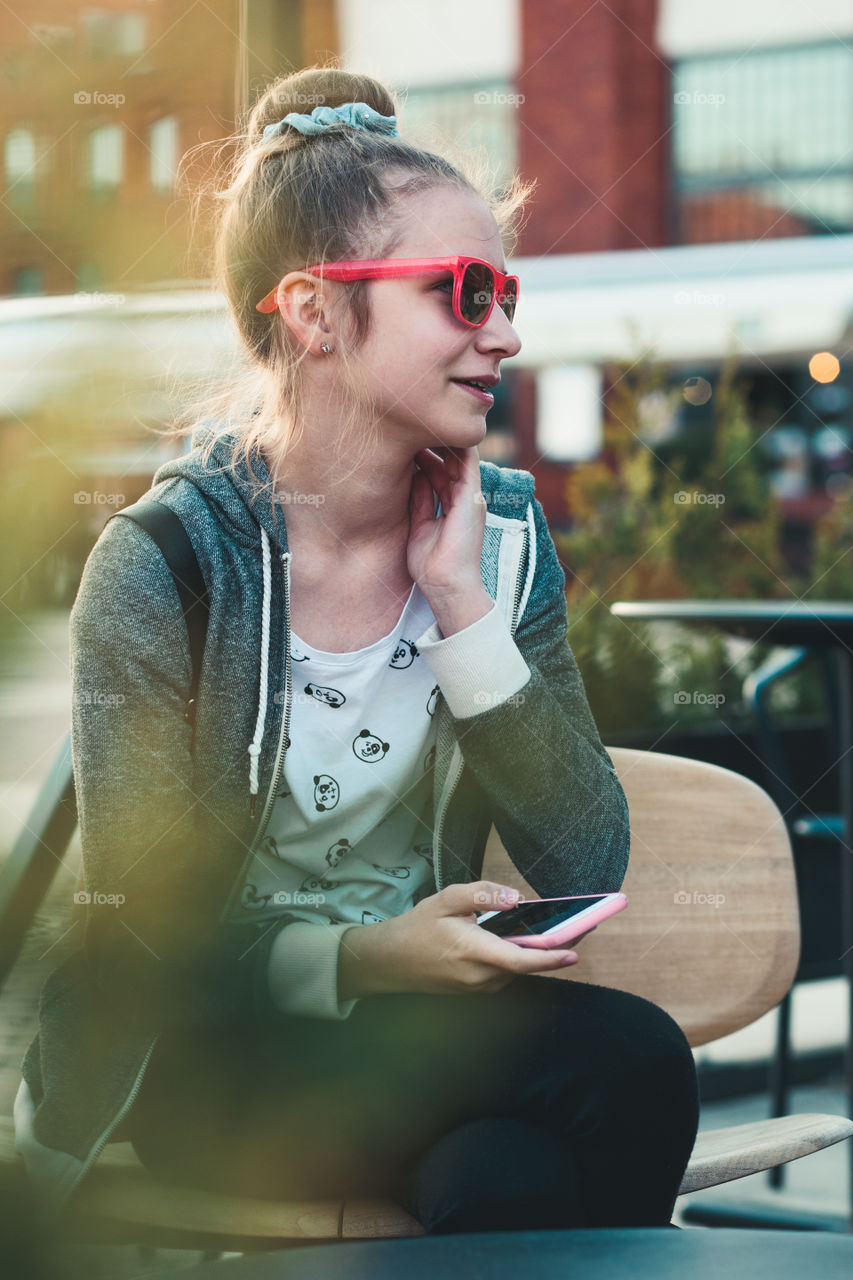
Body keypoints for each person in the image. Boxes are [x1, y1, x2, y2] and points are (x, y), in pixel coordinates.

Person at [13, 66, 699, 1233]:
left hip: (410, 1040)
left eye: (506, 292)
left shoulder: (505, 537)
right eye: (466, 294)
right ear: (315, 312)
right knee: (622, 1065)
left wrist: (463, 611)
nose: (508, 332)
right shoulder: (163, 564)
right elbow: (145, 939)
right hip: (202, 1051)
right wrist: (369, 956)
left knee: (506, 1176)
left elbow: (586, 849)